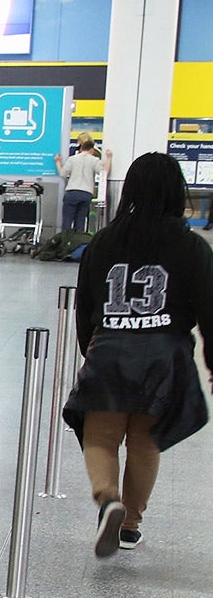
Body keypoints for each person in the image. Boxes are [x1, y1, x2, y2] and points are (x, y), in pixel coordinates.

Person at [64, 151, 213, 556]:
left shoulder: (104, 241)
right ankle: (128, 524)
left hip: (111, 347)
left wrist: (90, 351)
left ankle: (107, 496)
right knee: (146, 443)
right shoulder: (192, 247)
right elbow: (208, 311)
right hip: (165, 356)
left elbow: (86, 305)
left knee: (101, 435)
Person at [58, 138, 102, 234]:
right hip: (86, 193)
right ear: (92, 150)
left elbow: (63, 173)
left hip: (72, 192)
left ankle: (65, 242)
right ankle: (78, 244)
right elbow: (103, 172)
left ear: (81, 149)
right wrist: (109, 158)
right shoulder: (95, 160)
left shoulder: (72, 159)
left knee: (67, 220)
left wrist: (58, 162)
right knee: (80, 221)